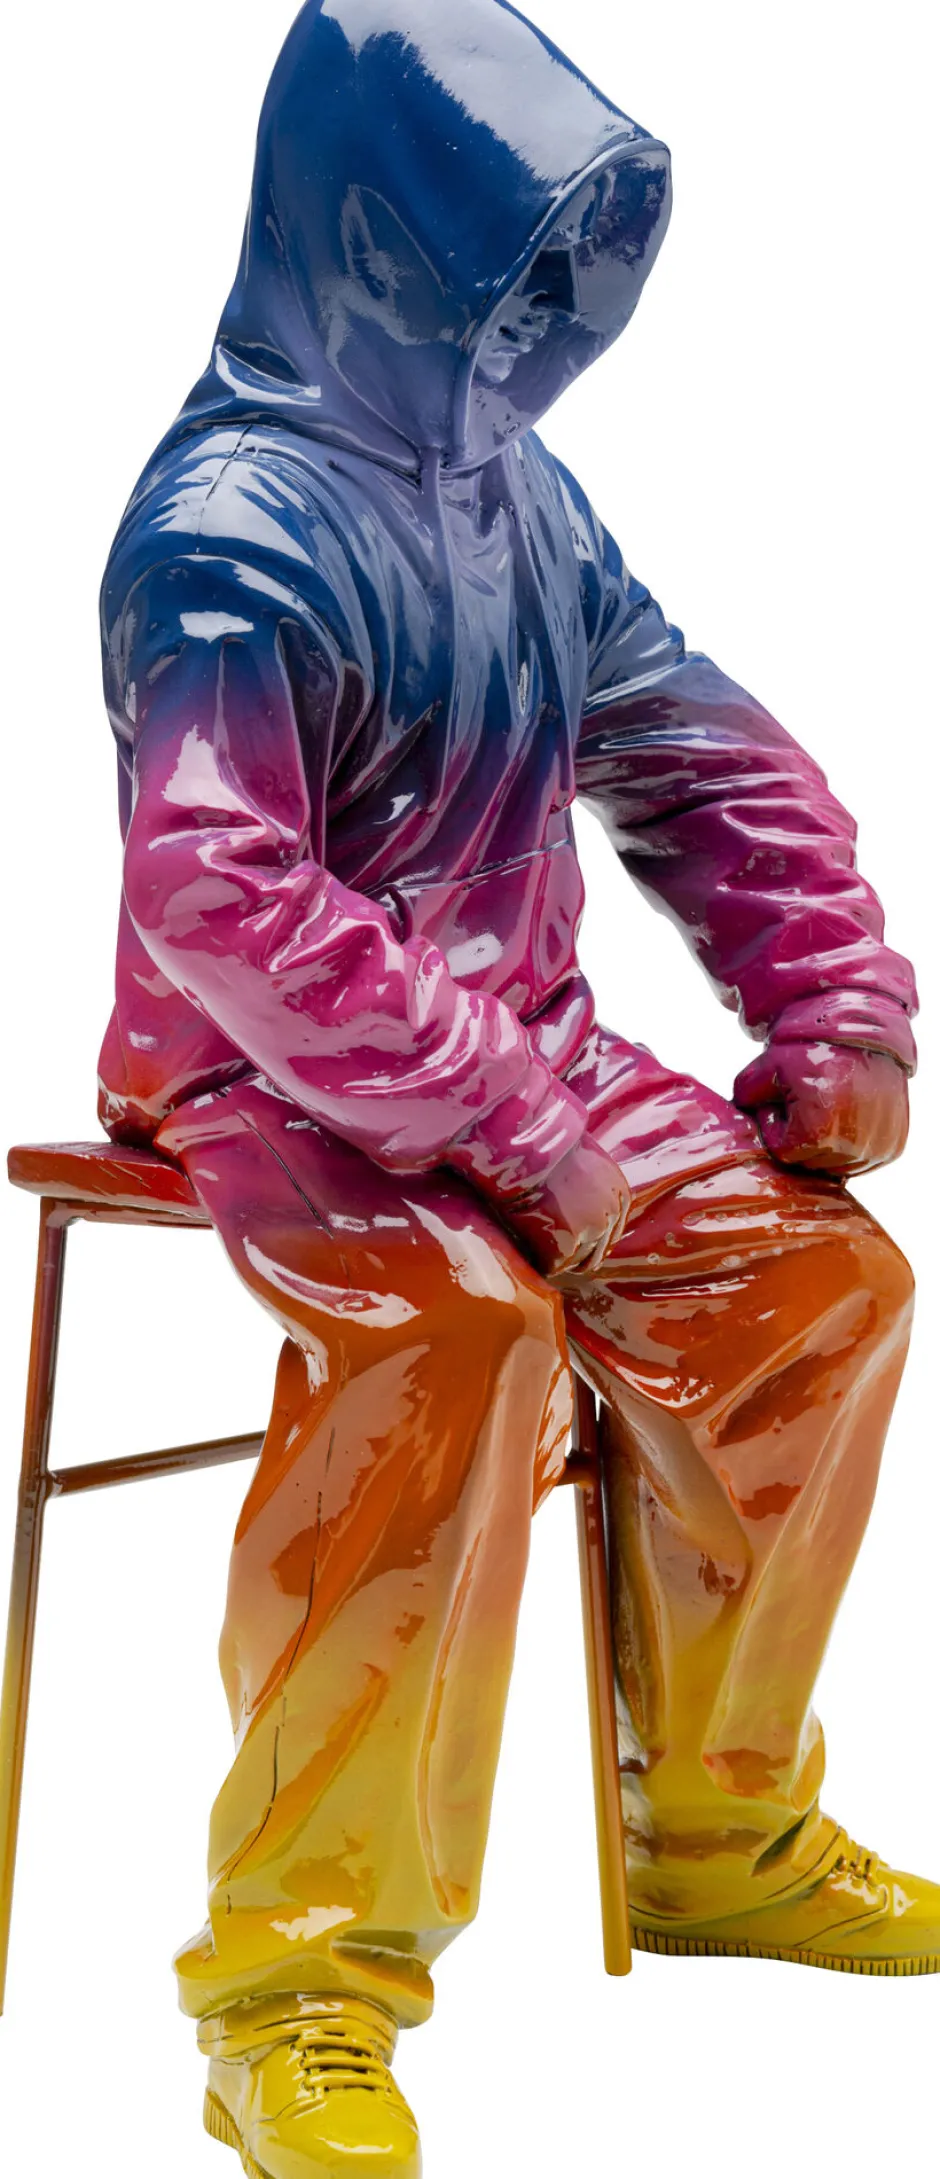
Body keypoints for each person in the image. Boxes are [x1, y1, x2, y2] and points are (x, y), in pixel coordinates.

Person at [97, 2, 937, 2172]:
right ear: (375, 239)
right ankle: (293, 1980)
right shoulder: (225, 533)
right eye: (510, 264)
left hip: (513, 1052)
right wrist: (513, 1121)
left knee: (810, 1291)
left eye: (572, 269)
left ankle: (720, 1829)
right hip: (272, 1079)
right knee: (449, 1346)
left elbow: (695, 745)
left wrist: (832, 1001)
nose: (543, 320)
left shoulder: (520, 503)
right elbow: (220, 893)